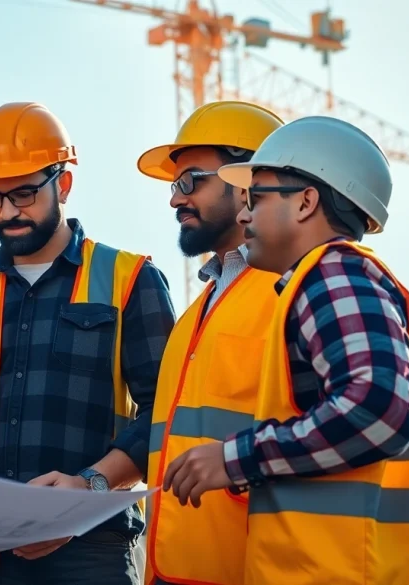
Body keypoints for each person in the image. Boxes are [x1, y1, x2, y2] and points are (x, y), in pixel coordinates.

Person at [164, 115, 409, 584]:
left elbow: (378, 410)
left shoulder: (334, 274)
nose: (243, 214)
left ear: (306, 202)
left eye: (256, 197)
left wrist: (234, 459)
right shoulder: (317, 282)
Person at [0, 102, 177, 585]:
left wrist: (87, 489)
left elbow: (170, 409)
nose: (8, 212)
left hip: (91, 555)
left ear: (63, 184)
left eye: (24, 194)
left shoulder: (130, 280)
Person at [134, 101, 283, 585]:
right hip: (175, 568)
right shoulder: (194, 316)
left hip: (255, 567)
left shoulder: (293, 290)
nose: (175, 199)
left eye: (189, 181)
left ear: (246, 181)